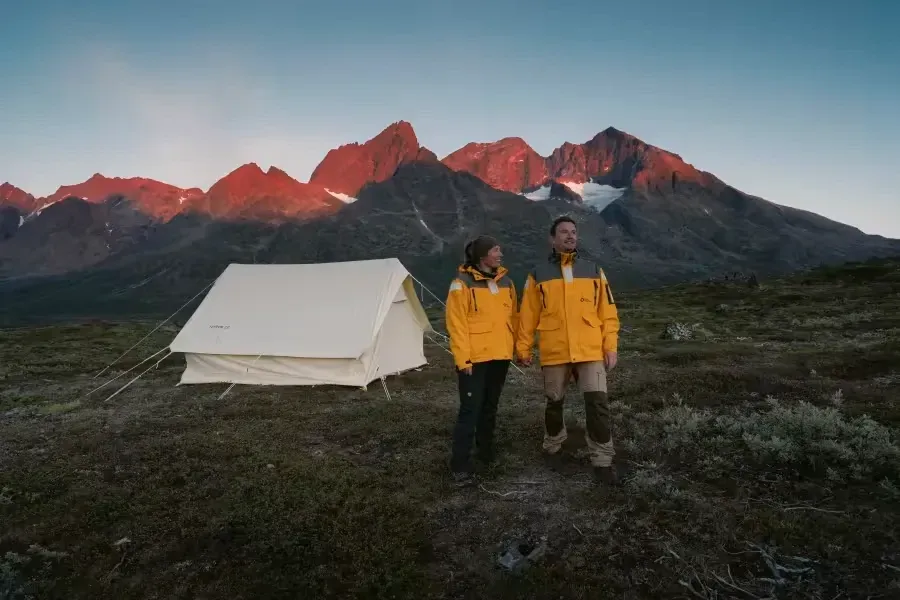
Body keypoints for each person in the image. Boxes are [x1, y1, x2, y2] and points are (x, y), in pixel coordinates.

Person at [515, 216, 621, 485]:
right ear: (552, 239)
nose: (570, 236)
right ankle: (553, 446)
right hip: (555, 349)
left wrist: (610, 345)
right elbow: (527, 314)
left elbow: (607, 311)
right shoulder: (537, 274)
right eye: (564, 232)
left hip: (590, 349)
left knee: (597, 405)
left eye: (574, 232)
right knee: (554, 403)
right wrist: (523, 347)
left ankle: (603, 461)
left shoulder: (594, 269)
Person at [445, 235, 517, 483]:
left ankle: (486, 452)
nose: (500, 254)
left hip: (500, 355)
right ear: (482, 255)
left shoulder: (506, 282)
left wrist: (517, 348)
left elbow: (513, 318)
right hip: (474, 359)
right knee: (470, 410)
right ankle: (460, 464)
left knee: (490, 407)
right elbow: (456, 324)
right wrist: (462, 359)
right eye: (496, 250)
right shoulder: (461, 283)